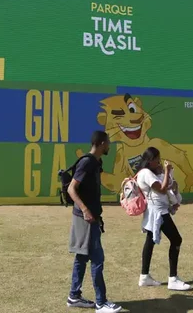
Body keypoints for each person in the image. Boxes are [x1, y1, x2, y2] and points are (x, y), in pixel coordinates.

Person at [66, 131, 121, 313]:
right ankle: (101, 303)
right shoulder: (87, 162)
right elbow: (71, 189)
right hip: (85, 218)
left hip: (91, 217)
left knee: (82, 257)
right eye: (108, 143)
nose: (109, 146)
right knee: (97, 259)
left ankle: (74, 296)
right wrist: (85, 210)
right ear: (102, 143)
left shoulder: (96, 163)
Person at [135, 147, 191, 292]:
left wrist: (168, 177)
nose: (159, 162)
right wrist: (166, 171)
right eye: (157, 160)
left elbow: (164, 187)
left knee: (150, 241)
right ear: (150, 160)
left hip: (156, 210)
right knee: (176, 239)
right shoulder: (146, 173)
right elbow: (161, 188)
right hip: (158, 212)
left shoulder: (148, 172)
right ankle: (173, 279)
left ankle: (144, 276)